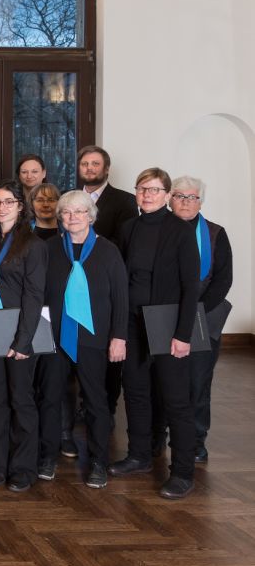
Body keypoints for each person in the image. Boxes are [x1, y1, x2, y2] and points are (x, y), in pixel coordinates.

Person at [111, 168, 200, 499]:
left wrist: (184, 333)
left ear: (166, 194)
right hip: (133, 323)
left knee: (176, 400)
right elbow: (120, 282)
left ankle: (183, 472)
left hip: (167, 323)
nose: (147, 195)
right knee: (134, 392)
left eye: (154, 189)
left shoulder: (180, 230)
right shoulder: (128, 228)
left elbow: (191, 287)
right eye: (142, 189)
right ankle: (139, 455)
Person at [42, 190, 128, 489]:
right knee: (50, 398)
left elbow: (121, 297)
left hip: (95, 337)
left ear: (90, 216)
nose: (73, 217)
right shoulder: (50, 249)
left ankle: (98, 462)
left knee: (95, 401)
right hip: (55, 336)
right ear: (60, 218)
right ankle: (48, 455)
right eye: (66, 212)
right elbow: (39, 295)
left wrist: (119, 337)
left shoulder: (108, 251)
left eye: (79, 212)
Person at [0, 181, 48, 492]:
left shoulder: (33, 245)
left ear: (21, 206)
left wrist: (23, 342)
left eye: (9, 201)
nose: (1, 207)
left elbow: (35, 296)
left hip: (21, 329)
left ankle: (23, 468)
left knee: (21, 399)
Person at [167, 177, 232, 463]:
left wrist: (193, 311)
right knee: (164, 380)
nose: (185, 201)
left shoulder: (216, 233)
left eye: (191, 197)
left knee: (197, 381)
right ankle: (161, 435)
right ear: (170, 199)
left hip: (203, 315)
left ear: (200, 202)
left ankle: (195, 440)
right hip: (164, 314)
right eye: (179, 195)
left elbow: (222, 280)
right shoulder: (158, 230)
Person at [77, 145, 136, 245]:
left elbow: (123, 241)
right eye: (84, 164)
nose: (89, 168)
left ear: (107, 169)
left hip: (105, 259)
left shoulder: (126, 201)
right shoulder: (66, 197)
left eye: (95, 164)